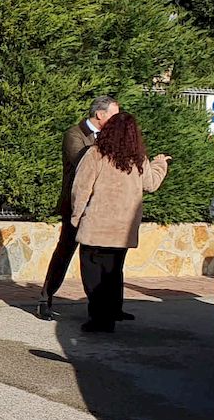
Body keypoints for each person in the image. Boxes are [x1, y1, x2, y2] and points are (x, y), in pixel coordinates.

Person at [70, 112, 169, 333]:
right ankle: (111, 313)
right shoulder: (138, 159)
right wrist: (160, 163)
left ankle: (98, 318)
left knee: (92, 274)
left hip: (96, 226)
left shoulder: (95, 155)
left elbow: (81, 188)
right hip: (122, 229)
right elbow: (151, 184)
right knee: (113, 273)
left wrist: (76, 217)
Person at [38, 95, 119, 320]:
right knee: (64, 252)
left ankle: (101, 307)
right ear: (100, 114)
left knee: (97, 258)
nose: (116, 120)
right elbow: (81, 160)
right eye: (113, 114)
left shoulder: (110, 137)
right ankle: (45, 298)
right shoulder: (75, 134)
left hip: (100, 207)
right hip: (76, 205)